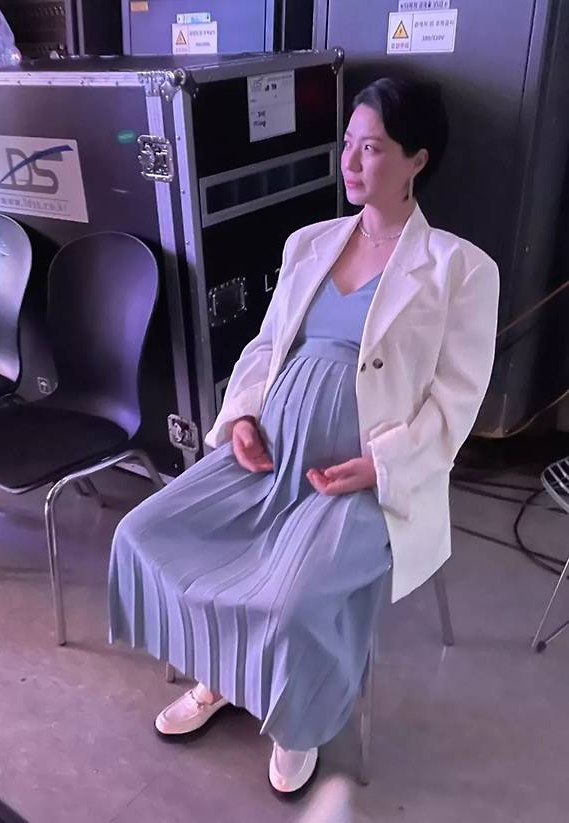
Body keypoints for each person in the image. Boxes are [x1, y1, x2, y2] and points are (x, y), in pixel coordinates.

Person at [108, 77, 500, 795]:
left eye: (372, 148)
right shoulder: (310, 243)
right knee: (144, 532)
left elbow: (458, 397)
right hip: (271, 455)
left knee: (293, 599)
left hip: (363, 476)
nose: (350, 162)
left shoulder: (461, 269)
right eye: (347, 144)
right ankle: (225, 673)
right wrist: (243, 418)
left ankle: (298, 718)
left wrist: (381, 465)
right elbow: (266, 347)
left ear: (417, 159)